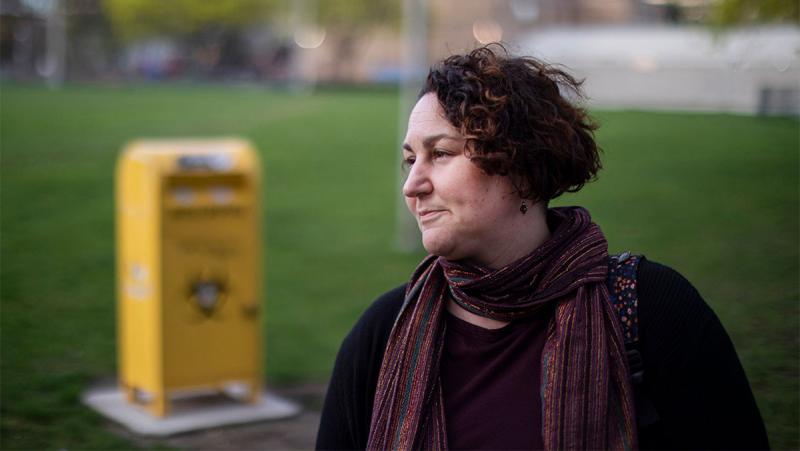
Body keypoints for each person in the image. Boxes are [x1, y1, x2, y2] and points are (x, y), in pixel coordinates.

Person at [316, 45, 769, 450]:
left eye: (442, 154)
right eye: (410, 159)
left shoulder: (651, 310)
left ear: (523, 167)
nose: (412, 185)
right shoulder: (384, 332)